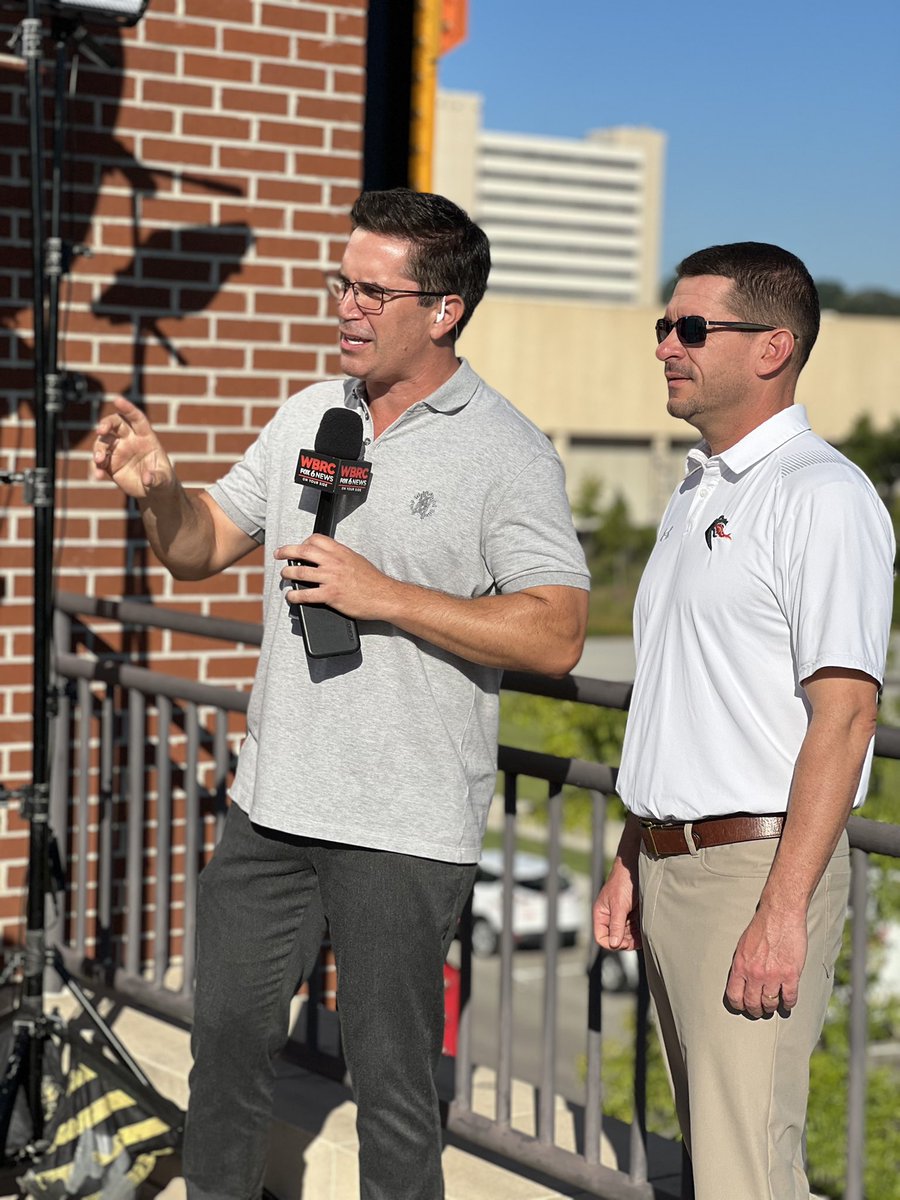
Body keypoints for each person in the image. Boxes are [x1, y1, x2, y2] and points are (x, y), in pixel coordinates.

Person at [93, 187, 590, 1200]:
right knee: (225, 1051)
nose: (346, 307)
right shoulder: (310, 415)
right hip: (270, 808)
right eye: (342, 283)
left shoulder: (506, 449)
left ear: (443, 310)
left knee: (394, 1096)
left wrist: (384, 595)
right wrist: (159, 490)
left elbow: (557, 628)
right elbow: (201, 548)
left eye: (372, 291)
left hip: (403, 827)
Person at [592, 242, 894, 1200]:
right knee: (721, 1162)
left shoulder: (822, 494)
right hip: (675, 864)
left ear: (773, 347)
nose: (665, 347)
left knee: (746, 1174)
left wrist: (782, 910)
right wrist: (634, 852)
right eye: (664, 326)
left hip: (753, 872)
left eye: (690, 328)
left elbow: (846, 716)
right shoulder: (699, 489)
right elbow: (685, 695)